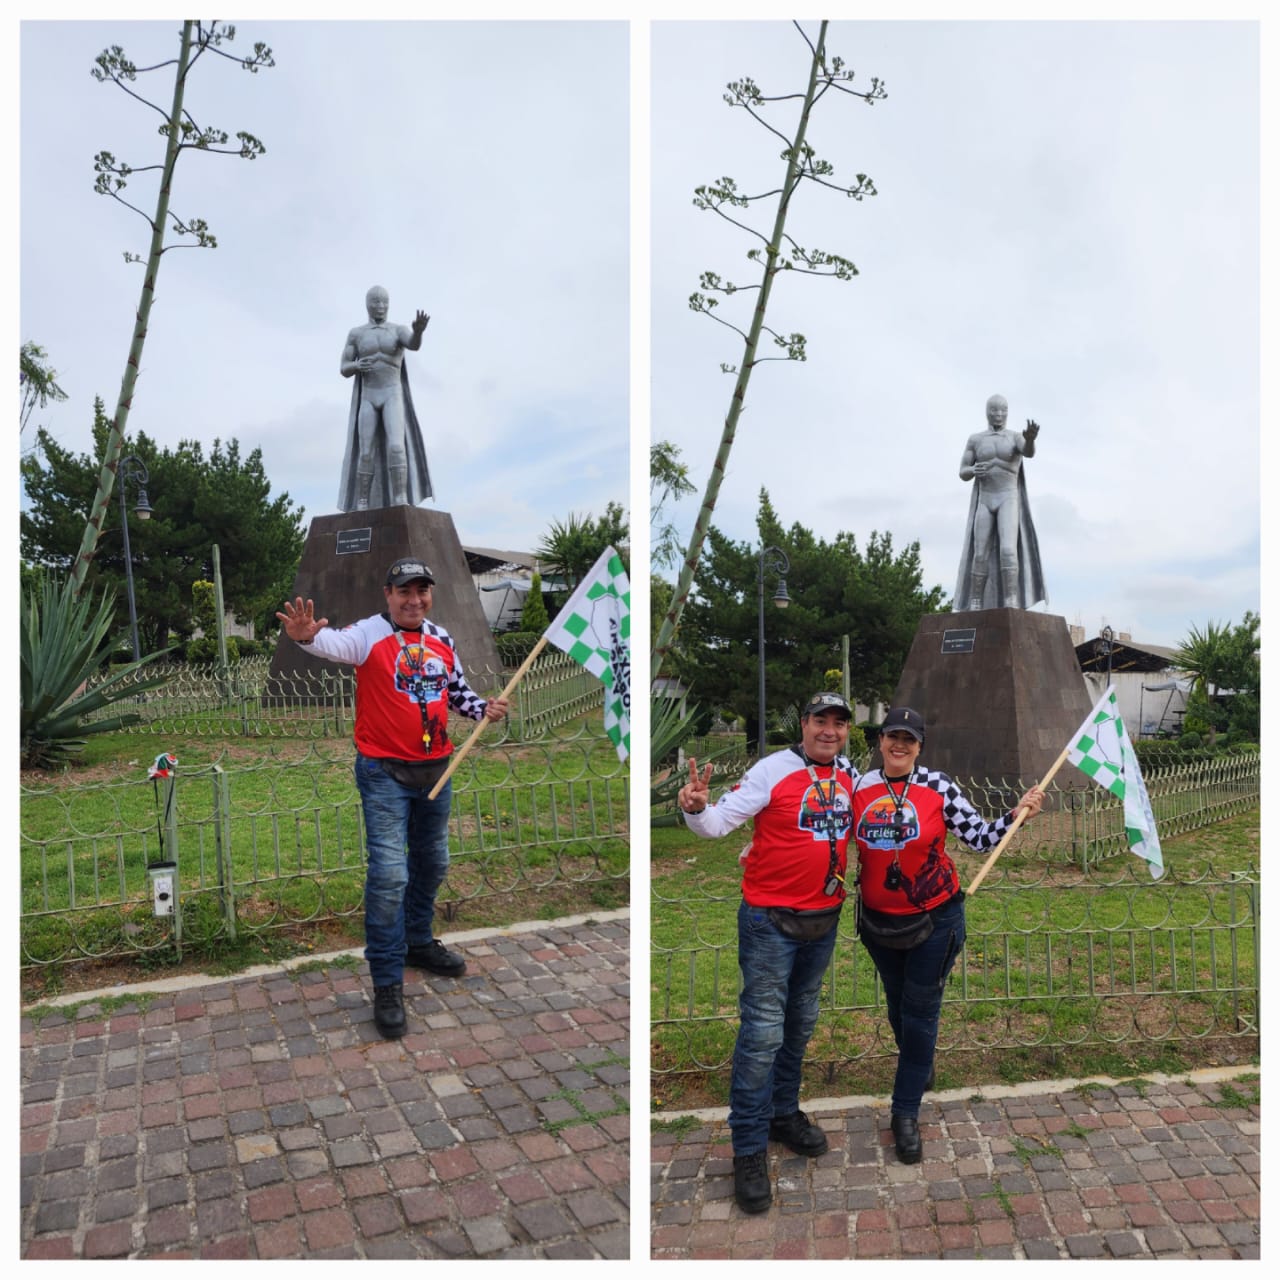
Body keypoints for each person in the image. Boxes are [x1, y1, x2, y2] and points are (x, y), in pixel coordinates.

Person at [276, 558, 508, 1038]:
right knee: (389, 876)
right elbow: (333, 645)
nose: (414, 599)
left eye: (422, 591)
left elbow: (456, 692)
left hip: (436, 771)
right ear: (388, 593)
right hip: (384, 772)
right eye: (405, 591)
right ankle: (387, 980)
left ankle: (417, 942)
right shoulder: (368, 634)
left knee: (433, 863)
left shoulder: (441, 639)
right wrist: (305, 637)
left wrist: (485, 708)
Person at [678, 692, 860, 1214]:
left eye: (839, 723)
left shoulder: (848, 775)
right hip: (770, 924)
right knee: (762, 1034)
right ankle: (749, 1148)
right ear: (803, 724)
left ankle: (783, 1112)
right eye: (820, 721)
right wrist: (694, 807)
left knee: (800, 1024)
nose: (829, 730)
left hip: (822, 921)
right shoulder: (772, 770)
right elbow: (716, 824)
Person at [851, 706, 1044, 1163]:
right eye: (892, 735)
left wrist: (1018, 813)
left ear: (920, 746)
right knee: (898, 1008)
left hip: (936, 919)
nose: (900, 744)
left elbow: (979, 837)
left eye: (910, 739)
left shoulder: (938, 787)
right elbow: (830, 838)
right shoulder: (858, 789)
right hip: (879, 923)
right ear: (880, 740)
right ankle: (921, 1066)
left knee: (919, 1013)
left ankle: (905, 1112)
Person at [337, 285, 434, 511]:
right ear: (368, 304)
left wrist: (418, 331)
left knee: (396, 446)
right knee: (366, 450)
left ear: (388, 304)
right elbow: (343, 367)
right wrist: (356, 365)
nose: (380, 306)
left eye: (384, 302)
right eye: (375, 302)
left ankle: (400, 497)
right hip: (369, 396)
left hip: (392, 393)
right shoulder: (357, 334)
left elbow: (413, 344)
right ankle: (362, 502)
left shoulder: (397, 330)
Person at [954, 393, 1046, 610]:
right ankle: (976, 600)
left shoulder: (1015, 437)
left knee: (1008, 549)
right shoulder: (976, 439)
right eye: (994, 409)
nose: (998, 414)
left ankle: (1011, 599)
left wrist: (1031, 439)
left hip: (1008, 497)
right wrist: (972, 470)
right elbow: (962, 471)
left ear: (1007, 412)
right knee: (980, 552)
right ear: (987, 412)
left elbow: (1028, 452)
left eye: (1002, 410)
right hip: (985, 499)